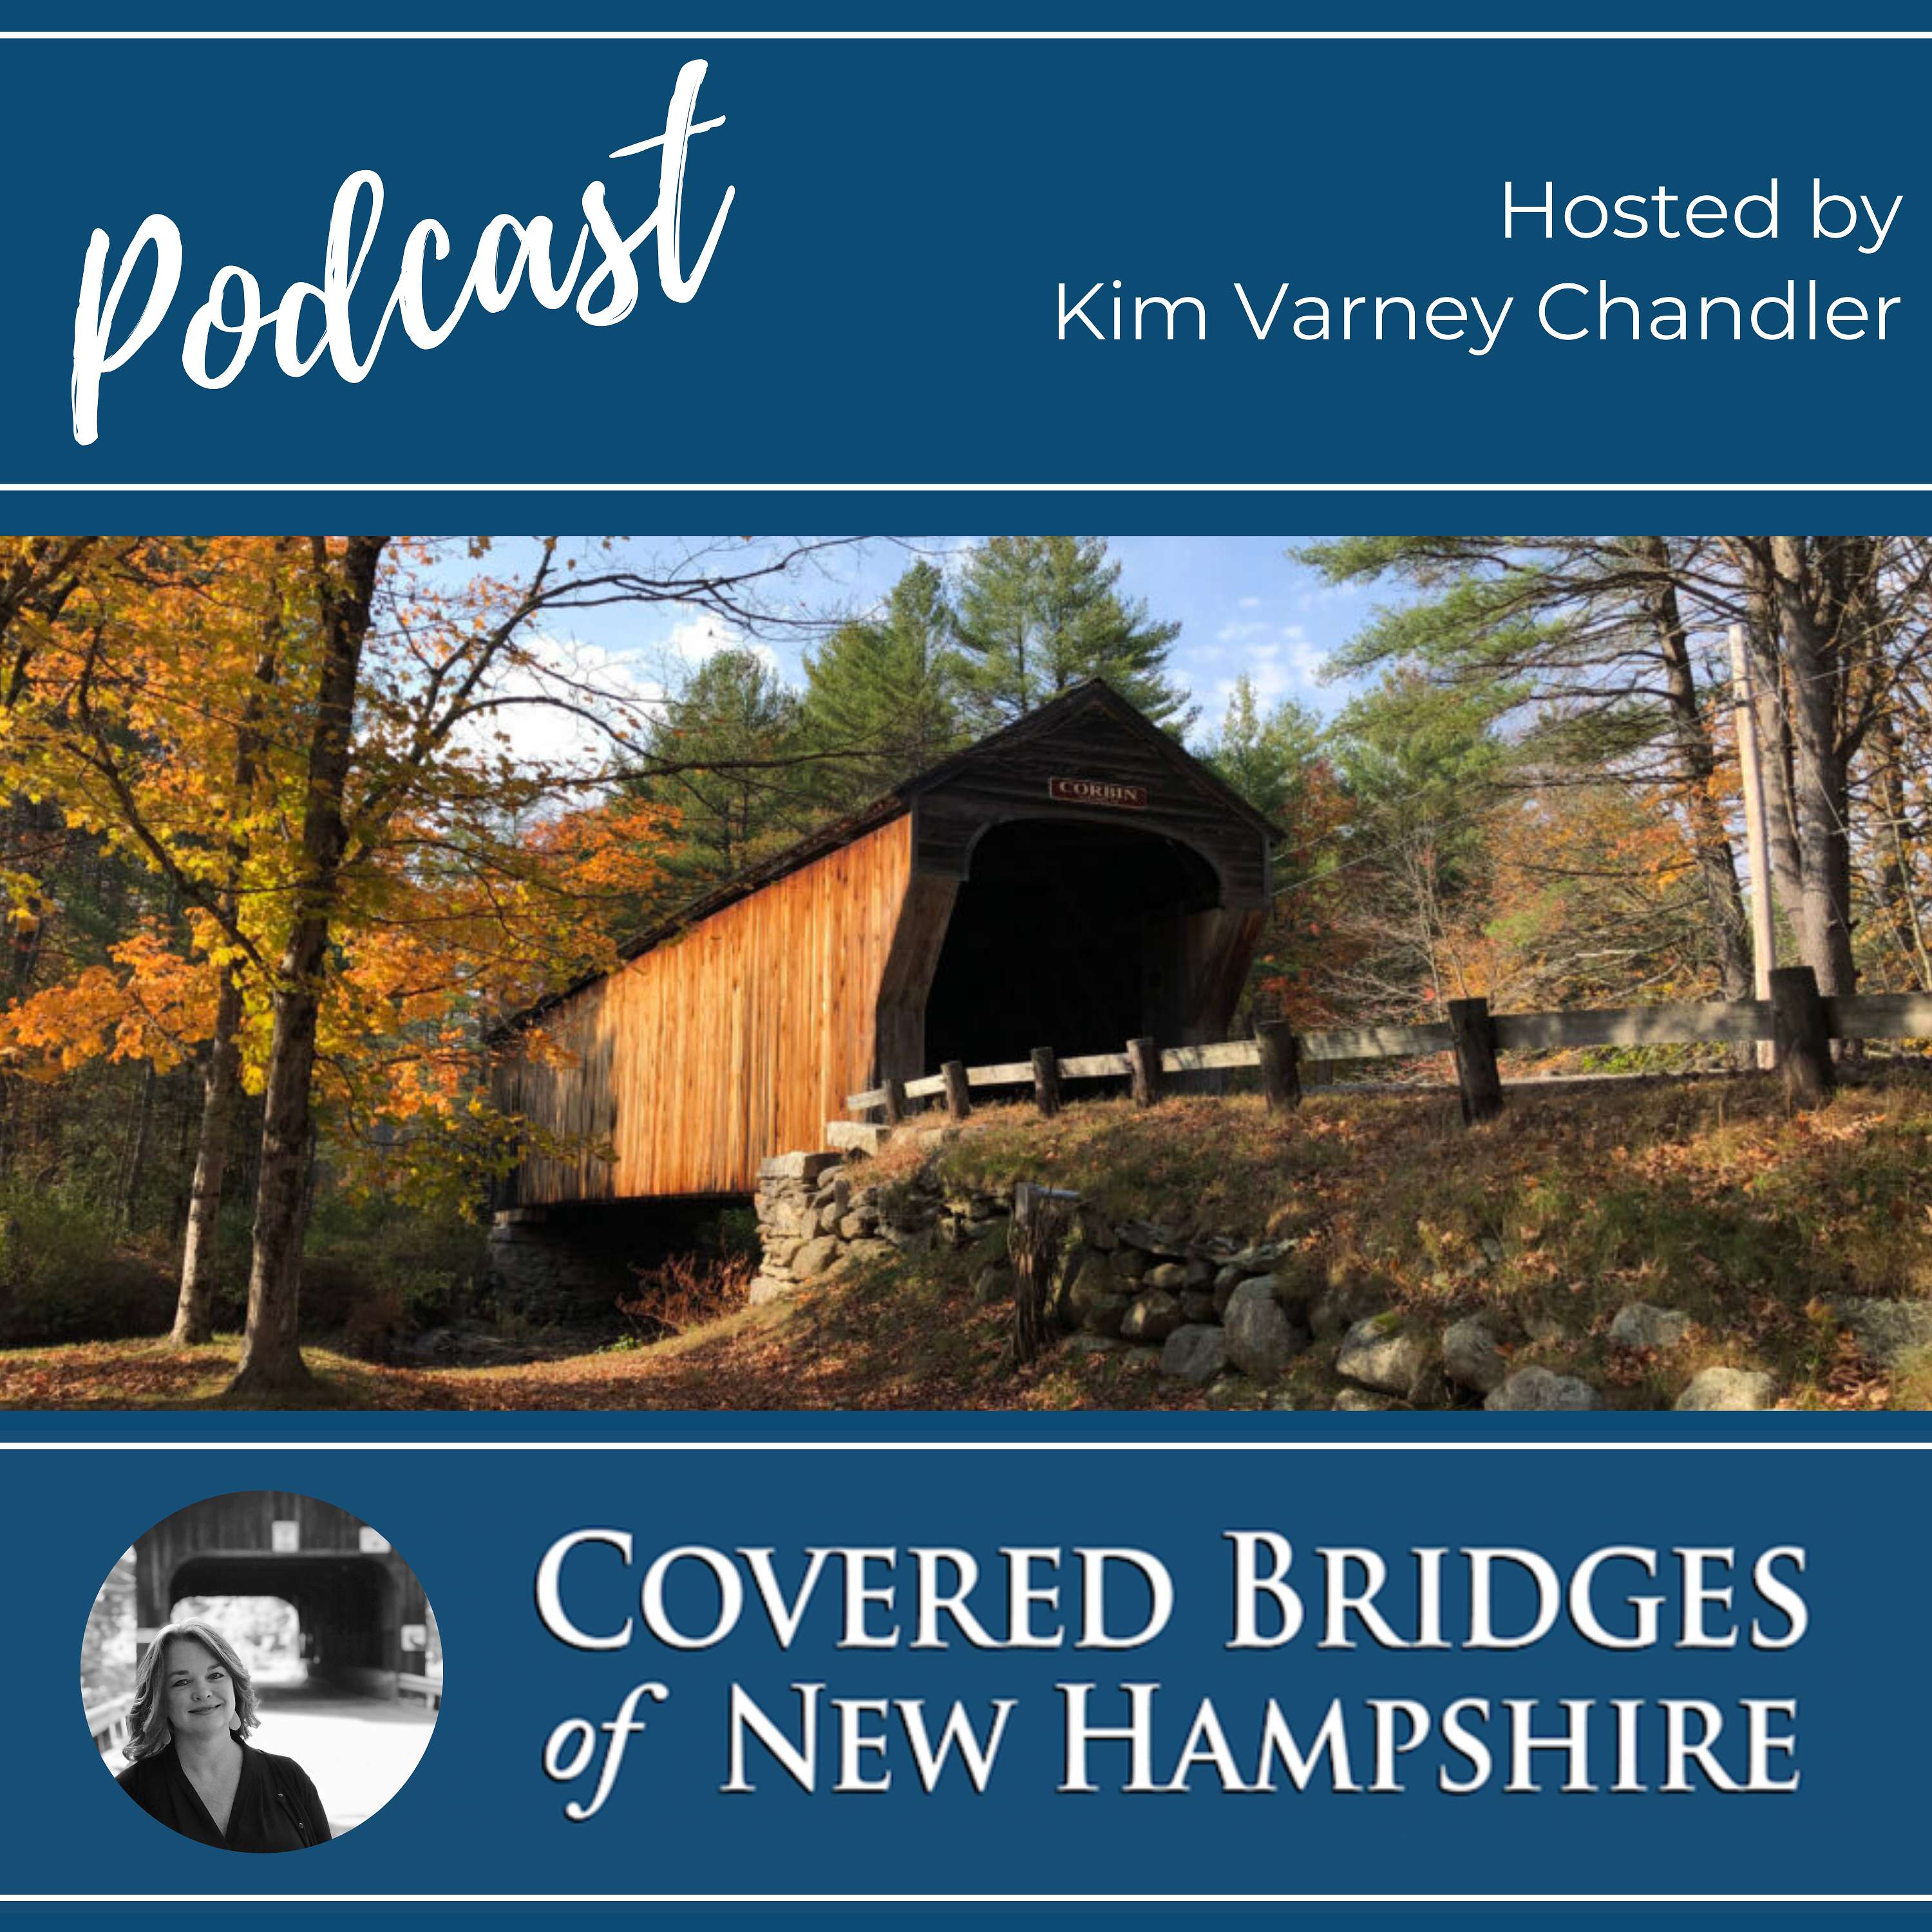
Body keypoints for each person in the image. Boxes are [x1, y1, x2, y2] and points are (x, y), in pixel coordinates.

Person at [115, 1620, 331, 1853]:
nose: (203, 1693)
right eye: (182, 1682)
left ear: (235, 1685)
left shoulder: (290, 1779)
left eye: (215, 1675)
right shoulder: (131, 1793)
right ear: (160, 1701)